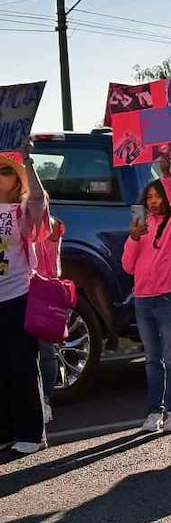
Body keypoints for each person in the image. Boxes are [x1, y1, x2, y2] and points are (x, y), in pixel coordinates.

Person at [122, 155, 171, 434]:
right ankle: (154, 412)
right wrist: (134, 238)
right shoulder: (143, 225)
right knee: (152, 359)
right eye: (148, 196)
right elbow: (127, 266)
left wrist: (166, 174)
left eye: (157, 195)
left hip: (169, 297)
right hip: (143, 298)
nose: (152, 200)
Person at [0, 144, 49, 455]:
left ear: (16, 180)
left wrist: (27, 159)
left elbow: (39, 202)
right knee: (2, 368)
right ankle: (7, 431)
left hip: (18, 293)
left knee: (22, 364)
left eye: (5, 171)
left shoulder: (21, 210)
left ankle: (33, 433)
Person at [35, 215, 65, 426]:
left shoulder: (50, 225)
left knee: (46, 350)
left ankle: (45, 400)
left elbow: (53, 227)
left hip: (45, 293)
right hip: (21, 292)